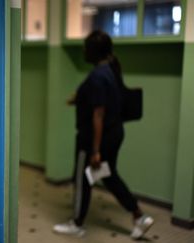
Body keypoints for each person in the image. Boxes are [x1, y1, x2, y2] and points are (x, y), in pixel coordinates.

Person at [53, 30, 154, 239]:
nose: (83, 50)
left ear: (93, 51)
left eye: (85, 47)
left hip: (95, 138)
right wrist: (79, 99)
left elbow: (98, 114)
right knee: (107, 175)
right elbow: (103, 102)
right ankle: (139, 216)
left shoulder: (98, 76)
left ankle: (77, 223)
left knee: (82, 179)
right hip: (115, 133)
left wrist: (95, 151)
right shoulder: (111, 70)